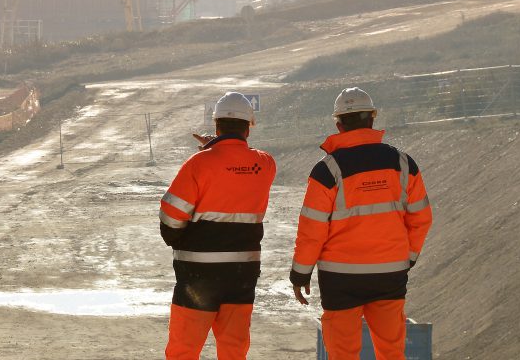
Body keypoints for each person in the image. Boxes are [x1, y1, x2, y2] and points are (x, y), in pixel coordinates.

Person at [290, 87, 433, 360]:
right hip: (389, 273)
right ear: (372, 119)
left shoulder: (327, 170)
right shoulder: (403, 164)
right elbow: (422, 218)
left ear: (339, 124)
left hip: (339, 277)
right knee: (391, 352)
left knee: (343, 354)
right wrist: (408, 258)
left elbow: (312, 230)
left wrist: (300, 273)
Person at [159, 92, 277, 360]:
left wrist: (177, 238)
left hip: (198, 275)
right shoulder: (266, 164)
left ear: (216, 125)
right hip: (242, 274)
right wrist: (219, 148)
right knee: (234, 351)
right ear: (249, 127)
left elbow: (171, 214)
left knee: (183, 351)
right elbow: (236, 164)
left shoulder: (199, 164)